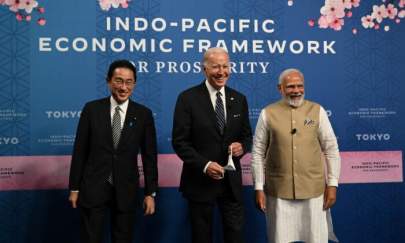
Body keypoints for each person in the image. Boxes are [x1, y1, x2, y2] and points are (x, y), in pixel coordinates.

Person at [68, 59, 158, 243]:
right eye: (118, 80)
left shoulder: (143, 114)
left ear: (134, 83)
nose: (123, 87)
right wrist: (74, 188)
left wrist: (150, 193)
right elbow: (80, 151)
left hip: (126, 190)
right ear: (108, 81)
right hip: (93, 187)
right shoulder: (92, 109)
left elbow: (150, 157)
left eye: (129, 82)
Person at [251, 68, 341, 243]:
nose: (296, 90)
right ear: (280, 88)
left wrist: (332, 184)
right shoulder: (267, 113)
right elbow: (257, 152)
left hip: (313, 192)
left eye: (300, 86)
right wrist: (259, 188)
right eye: (291, 86)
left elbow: (331, 149)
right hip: (278, 192)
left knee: (316, 239)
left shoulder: (318, 111)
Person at [172, 47, 252, 243]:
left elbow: (247, 136)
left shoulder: (239, 99)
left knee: (235, 236)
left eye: (225, 66)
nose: (221, 71)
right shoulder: (187, 98)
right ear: (204, 69)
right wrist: (205, 165)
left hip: (231, 183)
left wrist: (242, 146)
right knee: (201, 237)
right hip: (199, 182)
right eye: (216, 66)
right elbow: (180, 142)